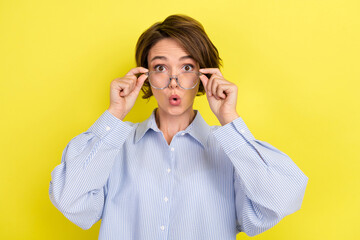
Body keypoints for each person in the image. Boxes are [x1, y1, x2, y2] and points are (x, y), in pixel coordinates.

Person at [49, 14, 308, 239]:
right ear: (145, 76)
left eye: (187, 67)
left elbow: (282, 199)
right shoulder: (116, 144)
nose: (174, 82)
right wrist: (114, 114)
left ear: (203, 77)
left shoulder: (230, 150)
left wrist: (230, 119)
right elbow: (69, 199)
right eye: (160, 67)